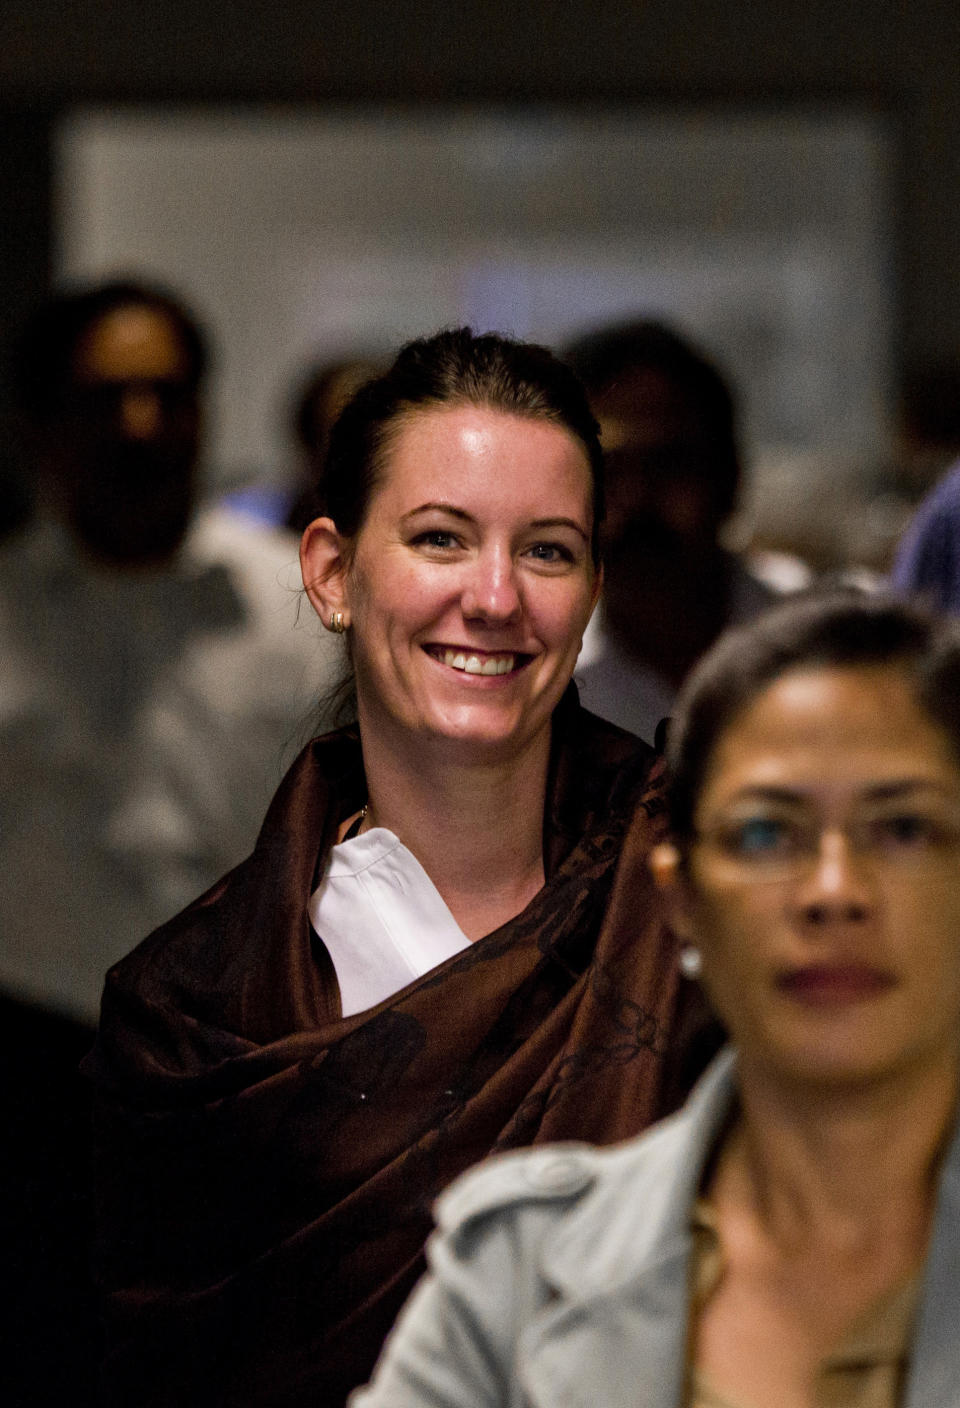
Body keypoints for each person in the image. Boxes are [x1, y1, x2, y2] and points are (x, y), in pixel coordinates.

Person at [86, 328, 720, 1407]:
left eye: (550, 550)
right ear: (333, 572)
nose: (496, 596)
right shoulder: (192, 1013)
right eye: (440, 538)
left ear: (591, 588)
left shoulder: (705, 900)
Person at [355, 590, 960, 1408]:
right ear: (682, 899)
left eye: (904, 829)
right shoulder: (517, 1277)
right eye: (765, 833)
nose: (834, 891)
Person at [0, 279, 341, 1024]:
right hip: (32, 1023)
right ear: (40, 423)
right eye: (105, 398)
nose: (140, 426)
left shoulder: (303, 603)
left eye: (168, 394)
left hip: (241, 1027)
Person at [566, 318, 803, 744]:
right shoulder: (547, 682)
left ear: (730, 478)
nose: (637, 499)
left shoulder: (821, 650)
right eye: (609, 473)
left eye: (668, 464)